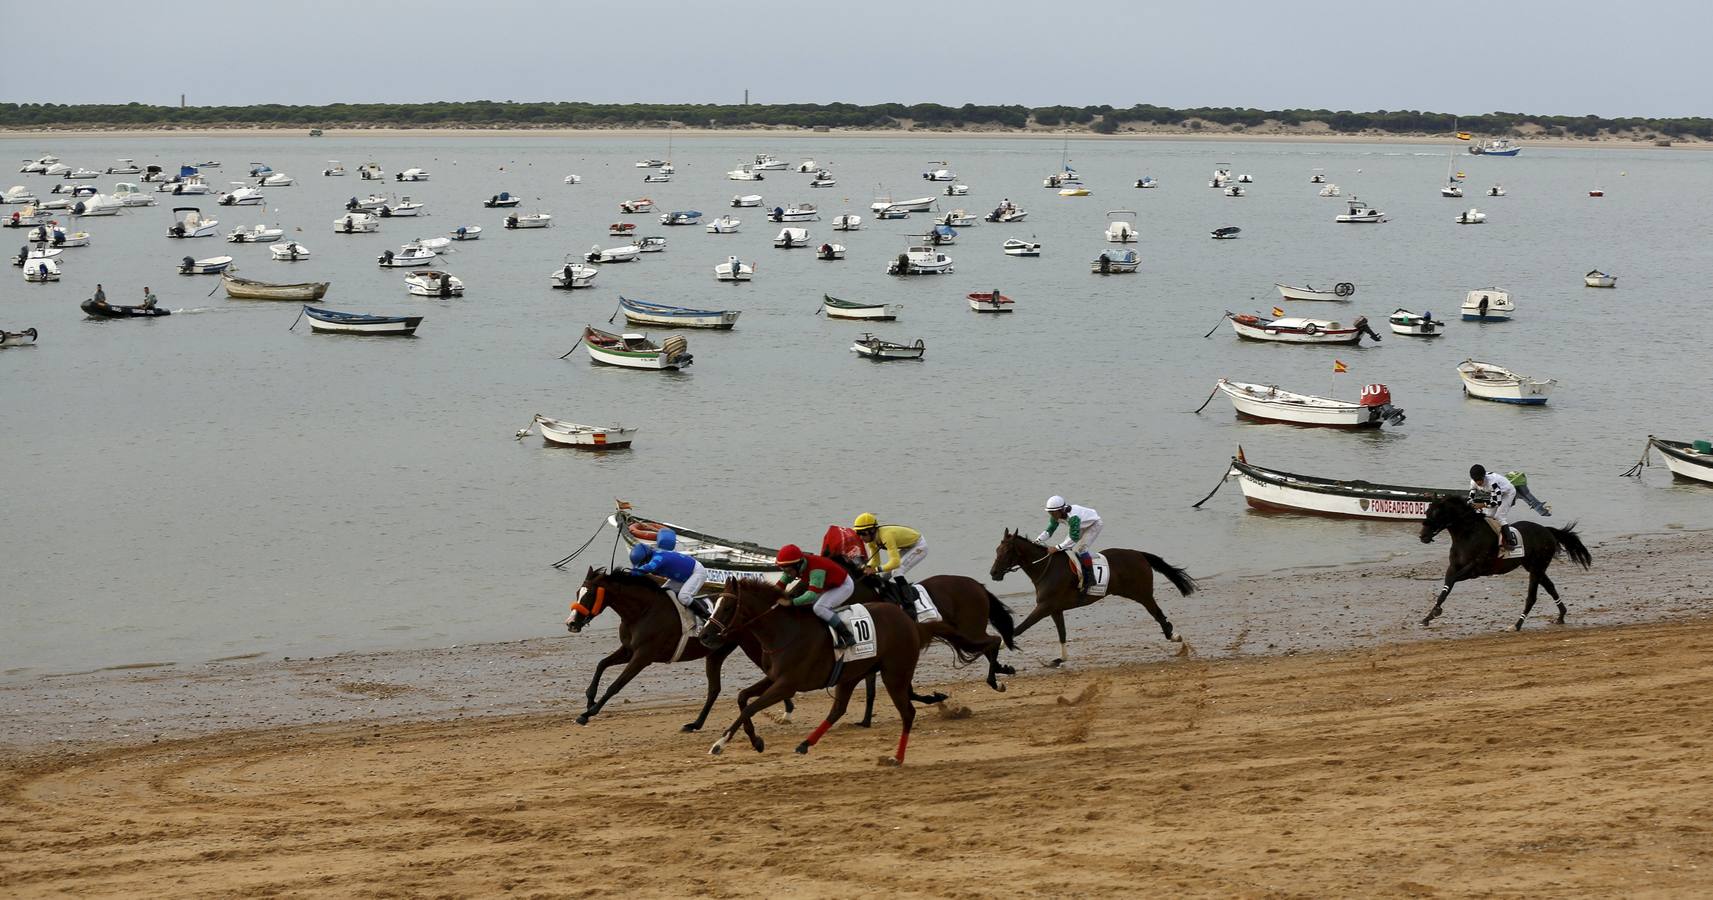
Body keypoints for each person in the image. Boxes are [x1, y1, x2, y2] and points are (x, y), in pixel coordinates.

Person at [774, 544, 857, 648]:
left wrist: (790, 602)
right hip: (827, 586)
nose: (787, 574)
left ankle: (847, 636)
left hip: (843, 586)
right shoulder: (795, 566)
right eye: (784, 571)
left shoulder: (816, 569)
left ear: (798, 565)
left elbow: (811, 596)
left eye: (789, 571)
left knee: (819, 608)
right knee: (807, 605)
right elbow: (780, 585)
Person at [629, 538, 710, 623]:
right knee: (661, 594)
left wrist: (631, 573)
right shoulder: (653, 555)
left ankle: (707, 616)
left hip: (696, 572)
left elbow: (649, 567)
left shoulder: (659, 558)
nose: (642, 565)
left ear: (647, 558)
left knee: (683, 597)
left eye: (642, 563)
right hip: (682, 577)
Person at [853, 513, 925, 601]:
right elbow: (876, 562)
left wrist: (875, 570)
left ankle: (909, 603)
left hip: (919, 546)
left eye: (863, 533)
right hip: (907, 546)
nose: (861, 537)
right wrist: (867, 567)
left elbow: (895, 563)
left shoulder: (887, 536)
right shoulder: (871, 541)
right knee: (885, 576)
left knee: (897, 571)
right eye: (858, 533)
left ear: (872, 531)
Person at [1038, 496, 1102, 589]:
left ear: (1061, 510)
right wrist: (1038, 540)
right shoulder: (1056, 515)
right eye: (1049, 512)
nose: (1051, 515)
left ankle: (1090, 578)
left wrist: (1057, 547)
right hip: (1080, 525)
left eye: (1053, 512)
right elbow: (1050, 530)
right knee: (1066, 547)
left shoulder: (1073, 517)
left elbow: (1074, 538)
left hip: (1094, 525)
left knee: (1081, 550)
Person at [1469, 464, 1518, 551]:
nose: (1478, 482)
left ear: (1484, 476)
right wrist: (1471, 506)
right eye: (1476, 480)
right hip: (1495, 495)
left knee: (1499, 517)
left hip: (1508, 493)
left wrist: (1482, 505)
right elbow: (1470, 498)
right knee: (1488, 515)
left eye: (1480, 480)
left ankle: (1509, 541)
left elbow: (1497, 502)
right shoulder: (1473, 482)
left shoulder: (1493, 483)